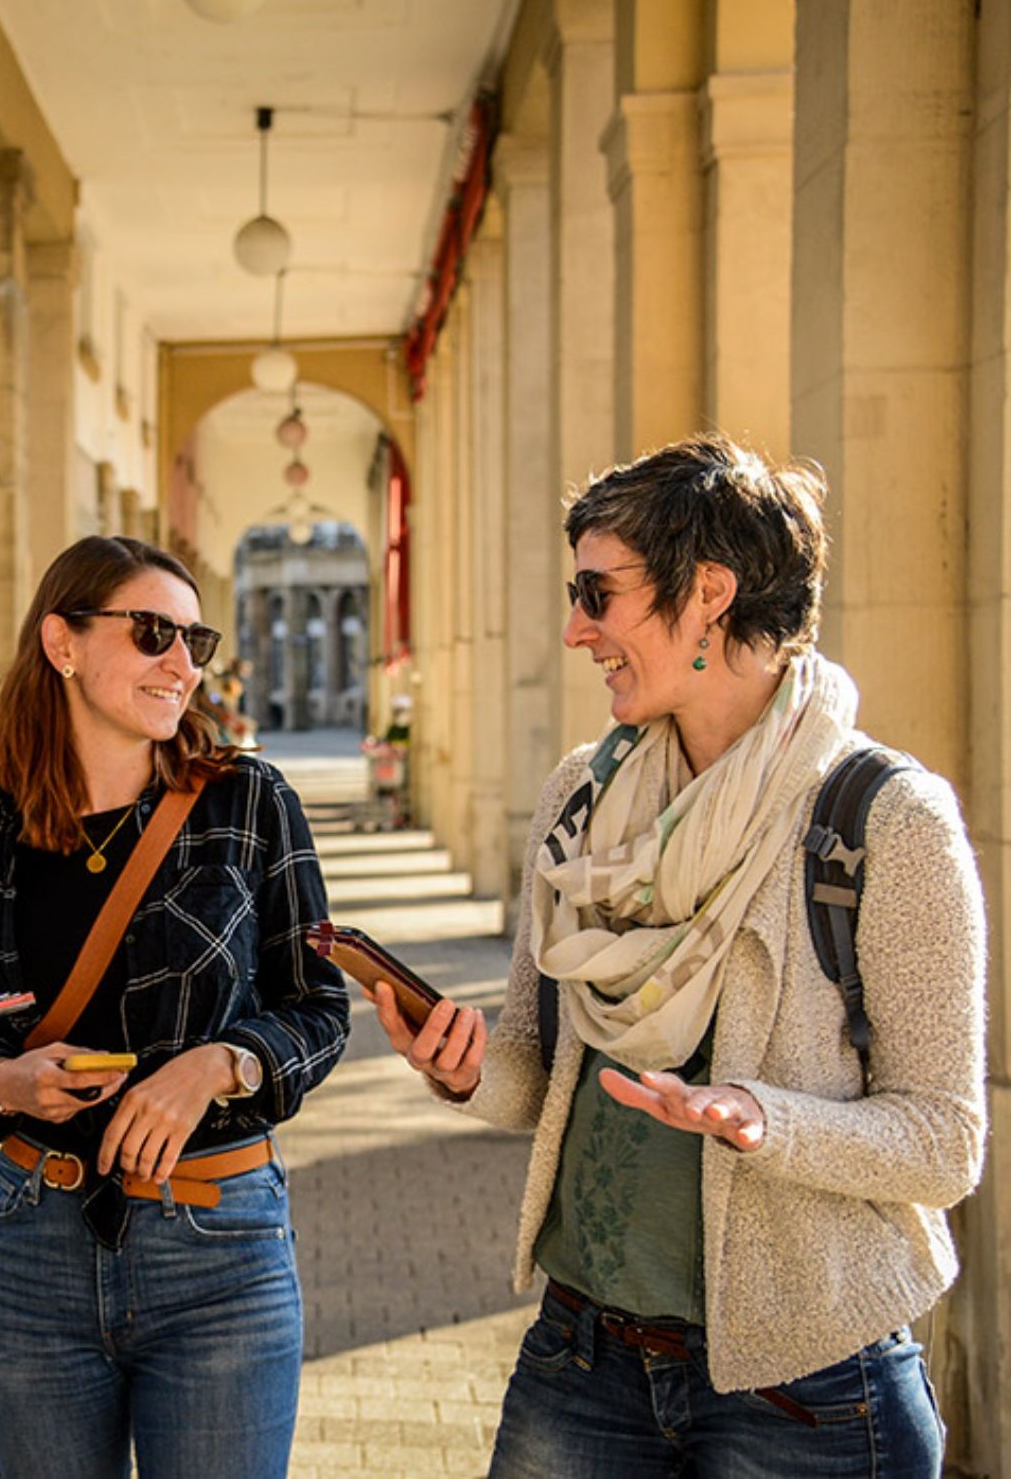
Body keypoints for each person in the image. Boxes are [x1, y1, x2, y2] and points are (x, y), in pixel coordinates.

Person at [373, 435, 986, 1477]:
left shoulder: (886, 818)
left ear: (708, 592)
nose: (574, 629)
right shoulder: (582, 793)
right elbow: (535, 1067)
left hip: (809, 1392)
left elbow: (942, 1140)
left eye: (596, 593)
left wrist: (761, 1119)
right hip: (580, 1358)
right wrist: (465, 1068)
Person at [0, 535, 352, 1478]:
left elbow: (318, 1006)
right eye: (154, 633)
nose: (182, 664)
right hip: (29, 1245)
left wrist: (219, 1063)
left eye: (198, 640)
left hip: (218, 1248)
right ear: (62, 643)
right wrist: (3, 1081)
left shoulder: (247, 801)